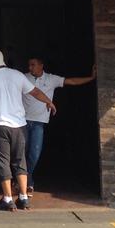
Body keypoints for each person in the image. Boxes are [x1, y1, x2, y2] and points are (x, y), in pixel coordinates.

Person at [0, 48, 55, 212]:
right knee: (20, 161)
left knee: (2, 163)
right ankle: (24, 198)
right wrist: (49, 101)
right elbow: (35, 92)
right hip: (19, 126)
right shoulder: (17, 75)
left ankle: (8, 199)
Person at [22, 57, 96, 193]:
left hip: (39, 122)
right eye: (29, 65)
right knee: (21, 153)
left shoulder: (51, 79)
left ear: (41, 65)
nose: (30, 68)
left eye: (33, 65)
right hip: (22, 121)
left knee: (34, 154)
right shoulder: (23, 77)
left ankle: (26, 177)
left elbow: (72, 81)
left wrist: (91, 78)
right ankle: (26, 181)